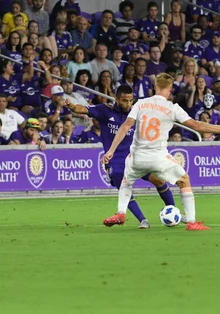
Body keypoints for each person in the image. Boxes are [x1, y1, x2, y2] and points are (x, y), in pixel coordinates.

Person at [101, 73, 220, 230]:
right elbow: (196, 126)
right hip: (158, 157)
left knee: (126, 180)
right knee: (184, 180)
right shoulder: (172, 108)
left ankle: (121, 213)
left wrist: (111, 150)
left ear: (155, 86)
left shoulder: (140, 104)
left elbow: (125, 126)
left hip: (136, 157)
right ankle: (192, 222)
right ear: (170, 89)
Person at [65, 84, 191, 229]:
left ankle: (174, 212)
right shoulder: (105, 111)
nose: (128, 104)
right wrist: (73, 107)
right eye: (125, 100)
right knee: (124, 186)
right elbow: (84, 109)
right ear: (116, 99)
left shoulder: (137, 111)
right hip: (116, 161)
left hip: (137, 157)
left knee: (159, 181)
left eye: (131, 100)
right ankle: (143, 220)